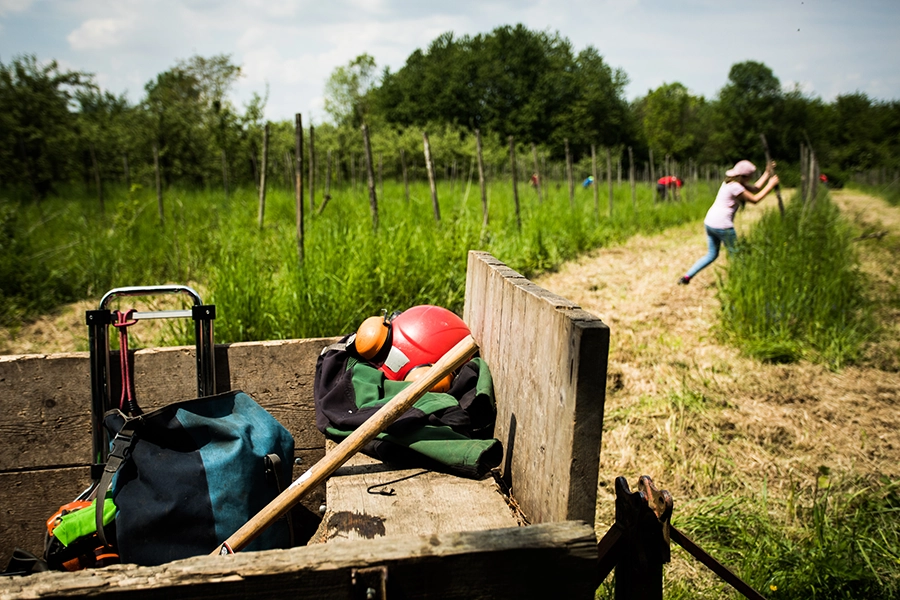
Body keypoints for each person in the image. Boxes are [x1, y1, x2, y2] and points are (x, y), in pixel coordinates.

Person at [678, 160, 779, 285]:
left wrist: (767, 173)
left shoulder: (730, 183)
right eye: (750, 176)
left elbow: (755, 188)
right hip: (723, 225)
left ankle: (687, 277)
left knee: (711, 254)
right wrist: (770, 185)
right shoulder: (736, 187)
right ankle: (741, 283)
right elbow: (755, 199)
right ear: (744, 176)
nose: (751, 178)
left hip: (710, 222)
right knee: (736, 257)